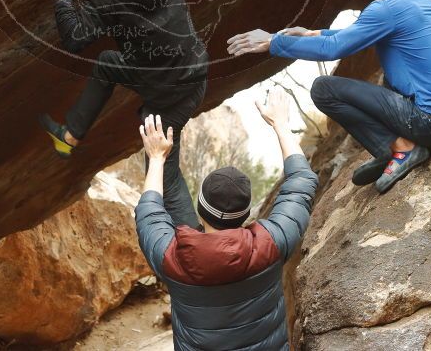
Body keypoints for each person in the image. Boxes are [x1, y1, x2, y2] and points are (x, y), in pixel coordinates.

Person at [226, 0, 431, 193]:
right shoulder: (419, 1)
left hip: (429, 122)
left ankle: (401, 148)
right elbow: (354, 34)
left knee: (323, 89)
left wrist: (272, 41)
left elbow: (335, 49)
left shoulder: (386, 9)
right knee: (391, 71)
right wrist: (312, 34)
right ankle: (397, 146)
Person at [40, 0, 220, 228]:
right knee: (109, 61)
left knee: (165, 175)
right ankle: (70, 137)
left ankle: (195, 245)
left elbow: (76, 38)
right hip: (195, 71)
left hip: (167, 95)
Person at [135, 89, 318, 350]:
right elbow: (302, 181)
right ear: (246, 214)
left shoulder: (172, 258)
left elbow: (149, 211)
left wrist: (155, 157)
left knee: (171, 189)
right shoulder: (272, 244)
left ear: (200, 209)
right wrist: (280, 125)